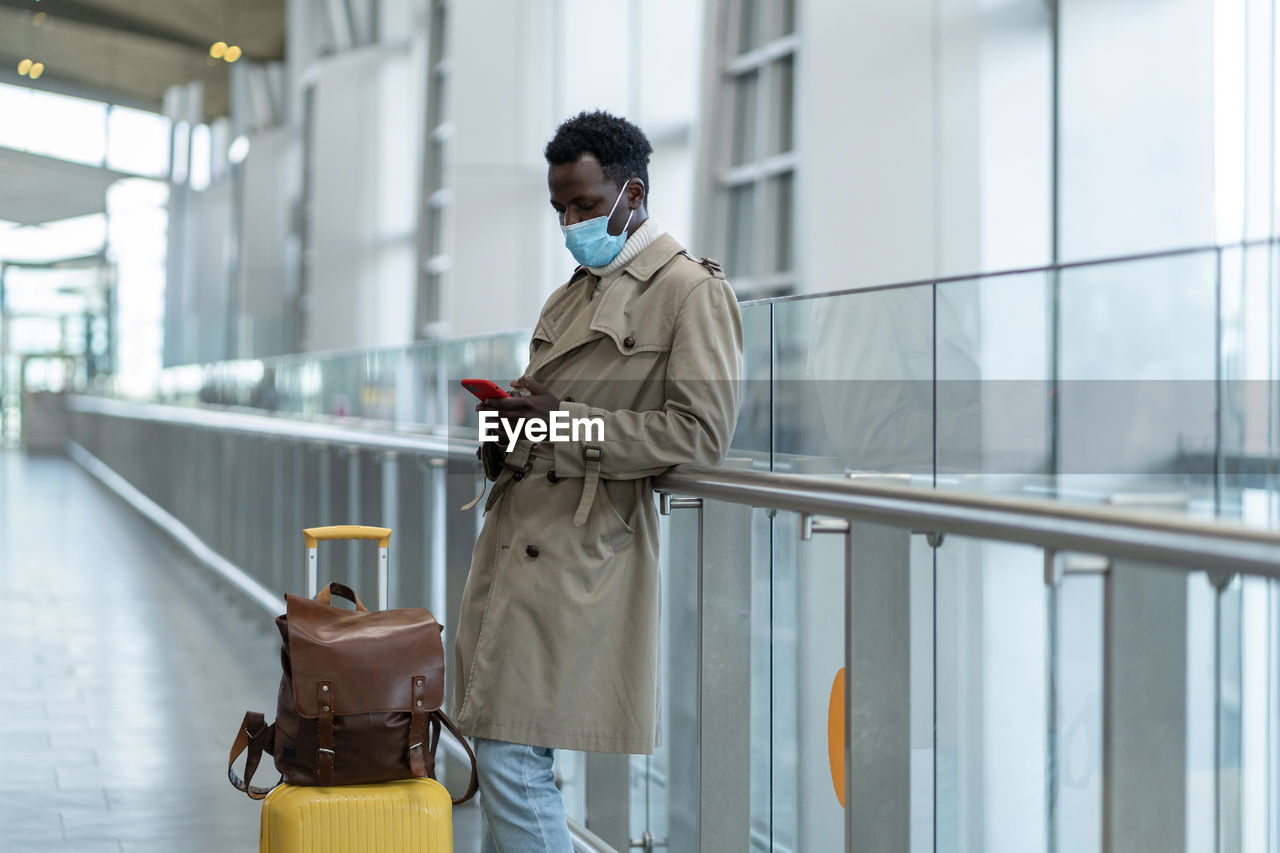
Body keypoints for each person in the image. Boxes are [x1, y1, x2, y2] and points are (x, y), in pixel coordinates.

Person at [451, 110, 743, 851]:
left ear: (632, 193)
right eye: (560, 209)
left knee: (511, 755)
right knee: (501, 744)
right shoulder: (571, 294)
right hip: (516, 543)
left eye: (584, 205)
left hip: (587, 550)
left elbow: (700, 434)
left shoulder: (690, 292)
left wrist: (564, 423)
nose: (571, 222)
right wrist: (509, 418)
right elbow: (549, 417)